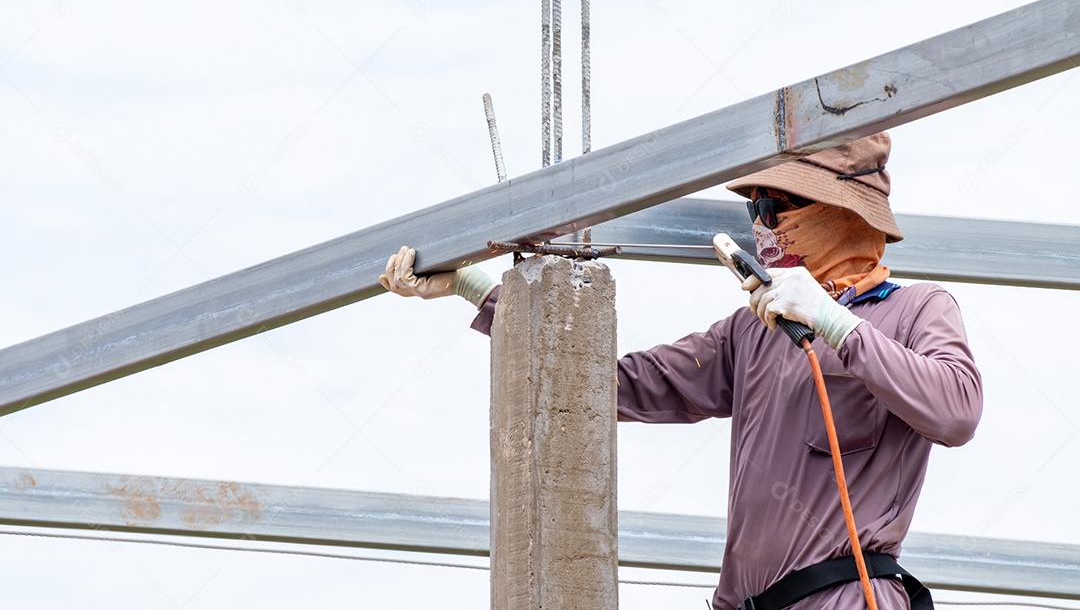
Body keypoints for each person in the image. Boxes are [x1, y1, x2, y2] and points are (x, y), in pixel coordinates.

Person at [379, 132, 982, 610]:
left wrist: (834, 322)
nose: (762, 225)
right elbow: (603, 385)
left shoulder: (915, 310)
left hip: (845, 599)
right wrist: (476, 287)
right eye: (756, 207)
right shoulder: (752, 329)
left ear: (842, 214)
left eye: (778, 206)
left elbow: (956, 411)